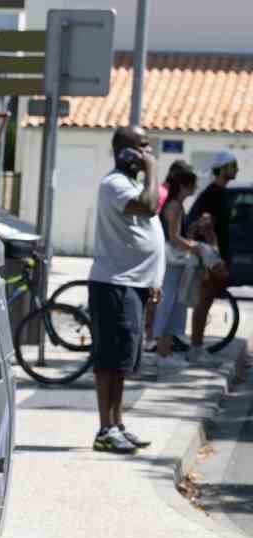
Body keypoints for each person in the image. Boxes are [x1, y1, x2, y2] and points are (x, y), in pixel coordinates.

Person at [87, 126, 164, 455]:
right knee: (110, 361)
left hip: (135, 283)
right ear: (125, 151)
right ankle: (105, 429)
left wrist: (153, 281)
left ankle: (117, 424)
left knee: (123, 362)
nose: (148, 151)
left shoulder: (132, 183)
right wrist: (153, 170)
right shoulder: (114, 185)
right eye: (142, 145)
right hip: (114, 283)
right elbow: (149, 207)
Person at [187, 150, 239, 349]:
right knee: (203, 302)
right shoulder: (213, 194)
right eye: (233, 165)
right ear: (223, 169)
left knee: (206, 302)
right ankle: (196, 348)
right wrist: (215, 259)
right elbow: (207, 225)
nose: (237, 169)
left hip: (215, 256)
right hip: (210, 258)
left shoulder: (220, 192)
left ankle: (197, 346)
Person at [152, 161, 200, 371]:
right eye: (193, 184)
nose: (195, 188)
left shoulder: (176, 205)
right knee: (168, 305)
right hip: (171, 265)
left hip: (174, 264)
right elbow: (173, 237)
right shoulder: (175, 206)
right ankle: (162, 353)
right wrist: (195, 247)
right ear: (185, 185)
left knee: (173, 307)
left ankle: (167, 351)